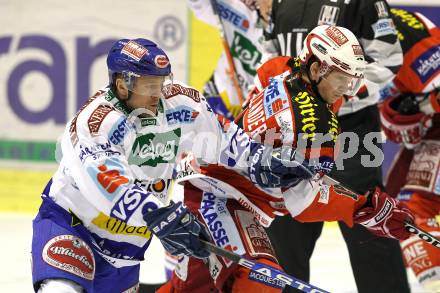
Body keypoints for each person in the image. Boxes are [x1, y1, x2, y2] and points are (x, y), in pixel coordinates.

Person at [30, 38, 310, 293]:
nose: (156, 93)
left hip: (126, 245)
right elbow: (111, 186)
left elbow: (222, 139)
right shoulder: (96, 123)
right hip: (72, 225)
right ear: (122, 83)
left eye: (160, 83)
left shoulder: (179, 102)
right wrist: (159, 214)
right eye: (147, 85)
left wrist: (262, 160)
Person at [158, 25, 414, 293]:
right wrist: (361, 209)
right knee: (259, 283)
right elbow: (303, 202)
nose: (347, 90)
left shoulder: (280, 67)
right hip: (220, 196)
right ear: (316, 70)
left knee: (193, 288)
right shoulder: (317, 129)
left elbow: (260, 89)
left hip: (214, 183)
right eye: (341, 79)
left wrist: (364, 206)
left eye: (352, 80)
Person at [263, 1, 410, 292]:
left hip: (354, 130)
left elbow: (389, 59)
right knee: (284, 228)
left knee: (369, 222)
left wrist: (338, 95)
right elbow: (271, 54)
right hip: (294, 130)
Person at [379, 9, 440, 292]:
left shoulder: (392, 30)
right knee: (400, 208)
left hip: (435, 126)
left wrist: (425, 106)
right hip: (431, 129)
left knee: (409, 211)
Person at [187, 0, 272, 120]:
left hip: (257, 110)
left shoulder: (281, 19)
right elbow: (199, 5)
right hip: (221, 97)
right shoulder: (234, 6)